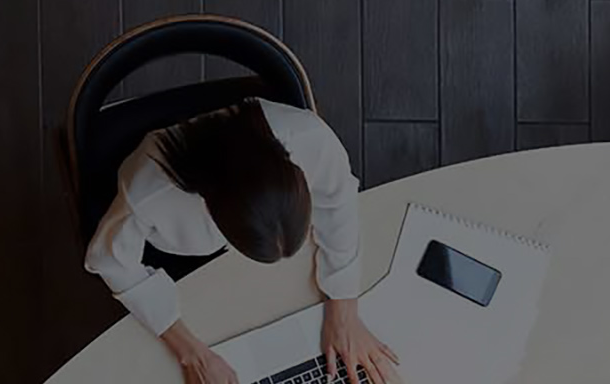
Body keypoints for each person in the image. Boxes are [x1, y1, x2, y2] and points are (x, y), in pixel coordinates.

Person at [85, 97, 399, 384]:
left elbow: (338, 199)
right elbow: (108, 260)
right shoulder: (150, 193)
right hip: (176, 257)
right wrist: (192, 352)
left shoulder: (309, 137)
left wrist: (343, 307)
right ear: (209, 208)